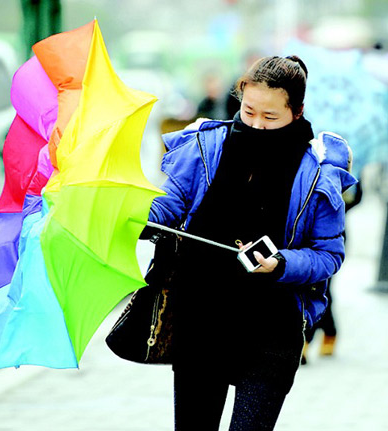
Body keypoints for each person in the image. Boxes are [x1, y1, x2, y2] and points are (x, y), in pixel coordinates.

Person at [146, 56, 357, 430]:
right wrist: (143, 219)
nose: (257, 125)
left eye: (271, 117)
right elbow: (171, 202)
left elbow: (328, 254)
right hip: (201, 319)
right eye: (249, 112)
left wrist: (282, 264)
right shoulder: (206, 146)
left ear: (297, 111)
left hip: (272, 329)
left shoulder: (316, 172)